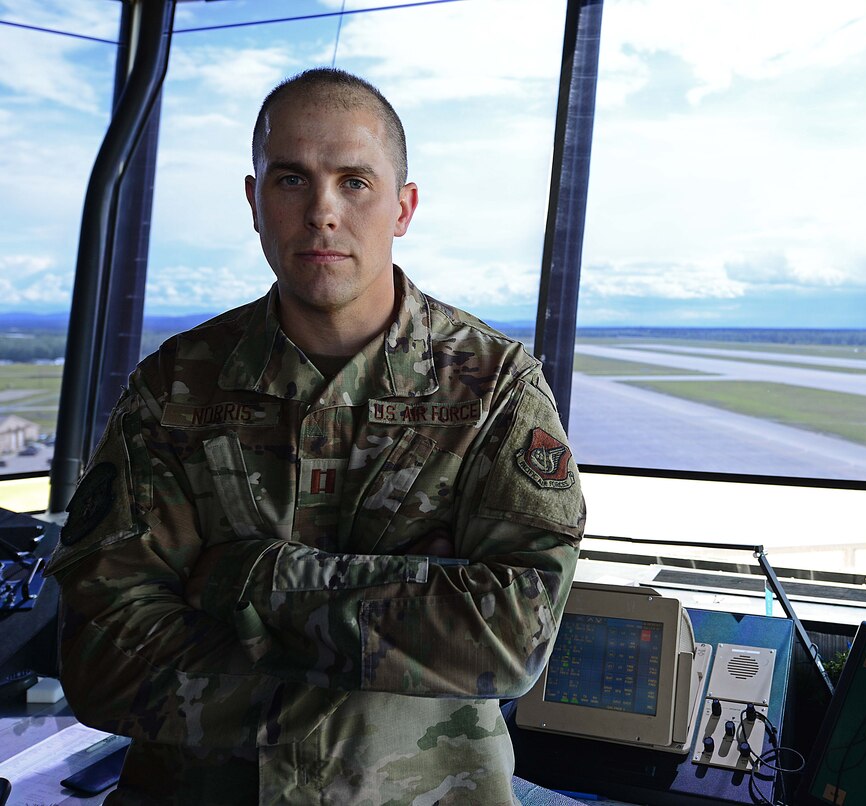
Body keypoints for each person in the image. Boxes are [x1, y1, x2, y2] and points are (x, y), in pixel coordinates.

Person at [47, 67, 585, 805]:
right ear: (255, 200)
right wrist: (393, 638)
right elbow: (103, 658)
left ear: (404, 207)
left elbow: (514, 637)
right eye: (292, 179)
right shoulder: (176, 388)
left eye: (355, 181)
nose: (322, 212)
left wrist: (247, 577)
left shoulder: (492, 389)